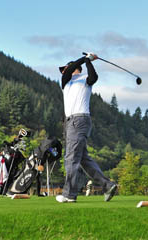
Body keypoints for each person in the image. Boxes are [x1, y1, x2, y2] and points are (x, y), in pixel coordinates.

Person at [56, 52, 118, 203]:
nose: (63, 71)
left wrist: (89, 62)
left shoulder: (85, 79)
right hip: (71, 122)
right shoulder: (66, 81)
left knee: (71, 157)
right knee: (83, 159)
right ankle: (107, 185)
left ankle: (69, 195)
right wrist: (85, 59)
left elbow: (94, 77)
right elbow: (70, 70)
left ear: (77, 68)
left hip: (79, 120)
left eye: (65, 68)